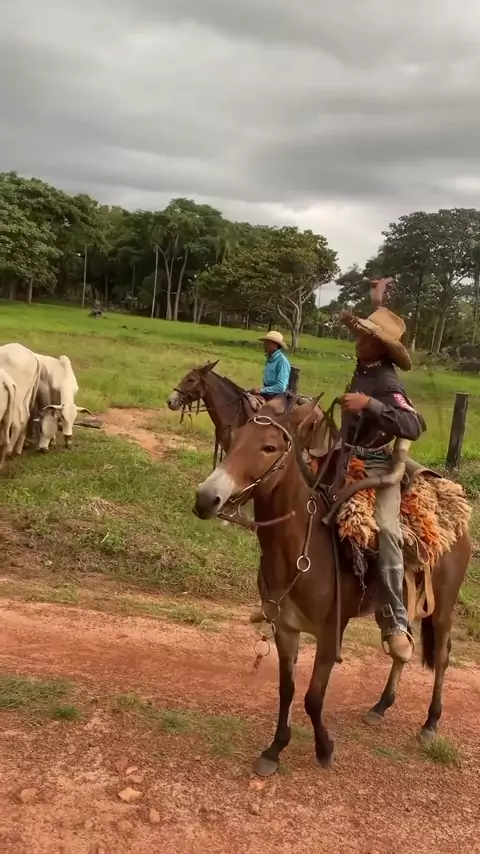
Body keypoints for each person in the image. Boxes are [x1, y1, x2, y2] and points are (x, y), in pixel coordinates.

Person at [338, 277, 425, 663]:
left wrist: (369, 405)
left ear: (382, 348)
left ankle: (395, 622)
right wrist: (377, 302)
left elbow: (413, 425)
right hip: (344, 456)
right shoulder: (366, 364)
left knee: (388, 531)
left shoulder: (387, 380)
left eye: (367, 337)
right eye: (360, 333)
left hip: (376, 463)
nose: (358, 340)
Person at [251, 331, 291, 400]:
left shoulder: (282, 361)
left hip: (277, 397)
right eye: (265, 342)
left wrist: (261, 390)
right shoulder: (269, 359)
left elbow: (281, 387)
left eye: (268, 342)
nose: (264, 345)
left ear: (275, 345)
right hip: (267, 393)